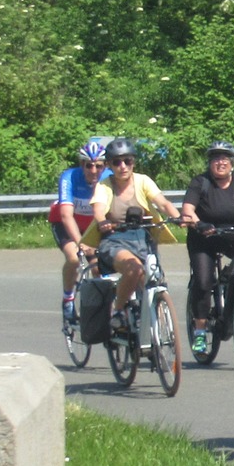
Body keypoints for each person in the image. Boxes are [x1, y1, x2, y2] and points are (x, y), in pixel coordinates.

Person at [85, 138, 182, 333]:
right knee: (134, 269)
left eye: (127, 161)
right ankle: (119, 311)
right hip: (115, 240)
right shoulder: (104, 186)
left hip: (143, 238)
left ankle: (152, 328)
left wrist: (180, 218)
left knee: (154, 279)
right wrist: (103, 221)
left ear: (133, 162)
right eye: (116, 162)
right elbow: (99, 209)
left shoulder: (143, 180)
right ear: (109, 165)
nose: (123, 166)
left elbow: (162, 203)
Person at [179, 141, 234, 356]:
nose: (220, 162)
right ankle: (200, 331)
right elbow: (187, 210)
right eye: (215, 159)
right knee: (204, 282)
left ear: (232, 163)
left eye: (224, 159)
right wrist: (198, 223)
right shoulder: (201, 183)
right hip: (204, 239)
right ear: (210, 163)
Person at [50, 140, 108, 319]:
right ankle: (68, 299)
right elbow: (66, 215)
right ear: (81, 164)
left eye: (98, 166)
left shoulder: (109, 177)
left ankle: (102, 307)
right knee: (74, 258)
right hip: (65, 223)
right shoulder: (69, 177)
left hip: (91, 225)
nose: (93, 171)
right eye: (89, 165)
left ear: (104, 165)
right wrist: (81, 243)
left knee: (99, 267)